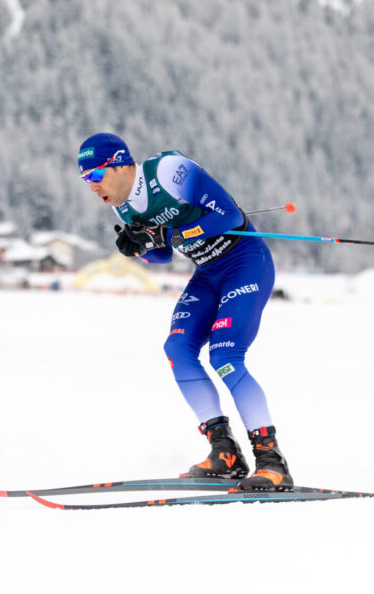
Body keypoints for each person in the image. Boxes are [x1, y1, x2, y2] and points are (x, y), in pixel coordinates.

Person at [77, 132, 293, 490]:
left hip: (244, 262)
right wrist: (139, 247)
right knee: (177, 349)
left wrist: (175, 231)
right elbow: (161, 255)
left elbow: (229, 216)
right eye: (85, 180)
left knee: (225, 354)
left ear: (119, 165)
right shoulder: (122, 206)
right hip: (207, 274)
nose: (92, 186)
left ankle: (271, 461)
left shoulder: (169, 171)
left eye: (95, 176)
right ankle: (224, 452)